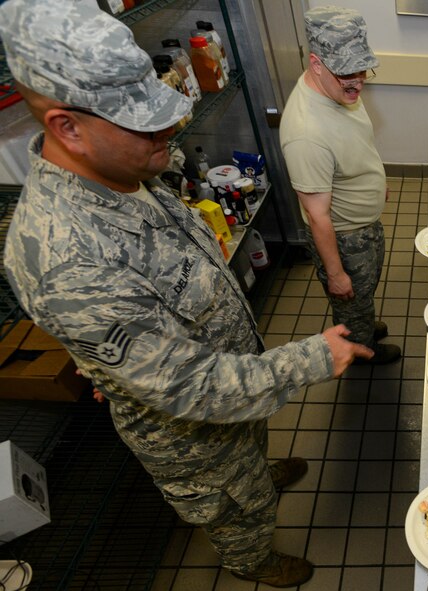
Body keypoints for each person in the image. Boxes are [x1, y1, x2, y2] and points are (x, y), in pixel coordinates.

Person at [0, 1, 372, 587]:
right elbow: (192, 387)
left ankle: (260, 470)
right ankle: (252, 560)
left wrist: (109, 359)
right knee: (232, 504)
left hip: (235, 383)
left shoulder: (125, 169)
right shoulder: (65, 256)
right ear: (67, 128)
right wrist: (314, 357)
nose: (167, 130)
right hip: (194, 432)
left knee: (249, 454)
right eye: (141, 120)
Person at [279, 5, 401, 365]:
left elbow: (355, 142)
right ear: (317, 64)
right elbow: (318, 216)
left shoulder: (340, 90)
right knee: (349, 295)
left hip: (364, 223)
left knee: (363, 292)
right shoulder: (305, 132)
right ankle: (361, 351)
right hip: (346, 237)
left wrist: (374, 180)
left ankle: (362, 320)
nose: (359, 81)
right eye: (347, 72)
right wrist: (336, 274)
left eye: (362, 69)